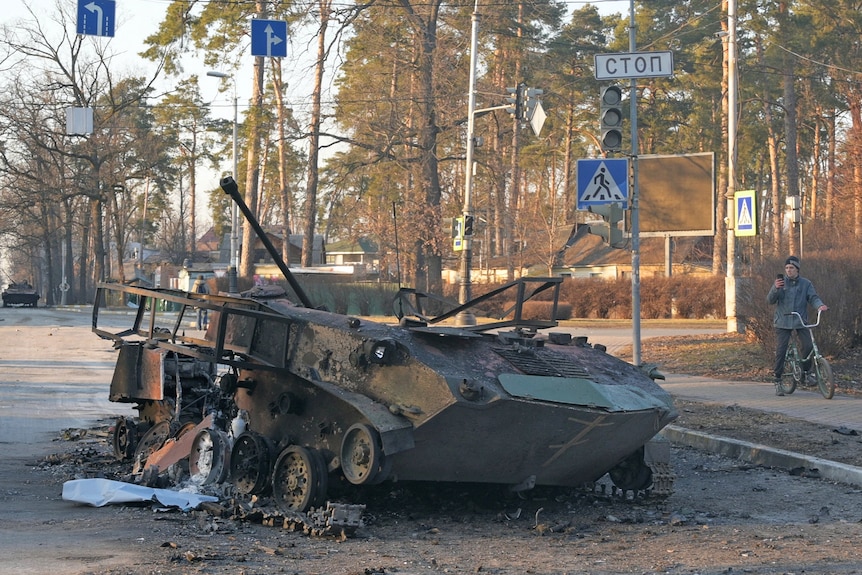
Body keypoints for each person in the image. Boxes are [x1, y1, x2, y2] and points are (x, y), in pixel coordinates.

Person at [766, 255, 828, 396]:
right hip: (782, 321)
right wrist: (775, 288)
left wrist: (820, 306)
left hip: (800, 321)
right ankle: (778, 380)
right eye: (787, 268)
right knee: (781, 351)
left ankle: (806, 372)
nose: (789, 270)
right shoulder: (780, 283)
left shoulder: (806, 284)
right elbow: (769, 300)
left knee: (808, 346)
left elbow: (813, 298)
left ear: (797, 269)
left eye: (791, 268)